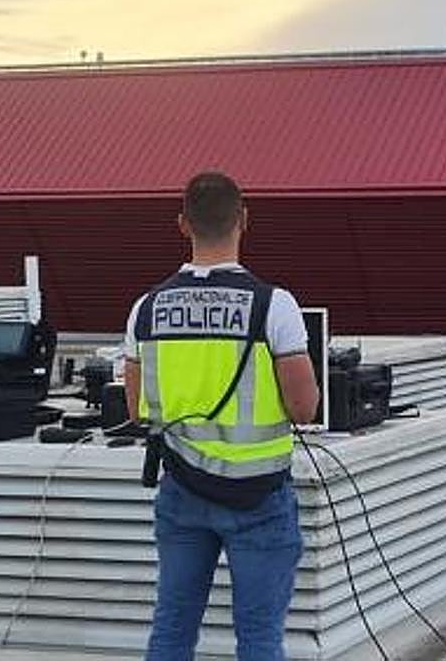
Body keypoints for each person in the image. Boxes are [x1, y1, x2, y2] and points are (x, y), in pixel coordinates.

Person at [123, 171, 319, 661]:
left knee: (171, 630)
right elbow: (305, 406)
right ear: (243, 220)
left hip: (182, 492)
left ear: (183, 225)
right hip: (259, 497)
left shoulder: (146, 308)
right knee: (258, 638)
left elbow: (136, 408)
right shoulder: (275, 306)